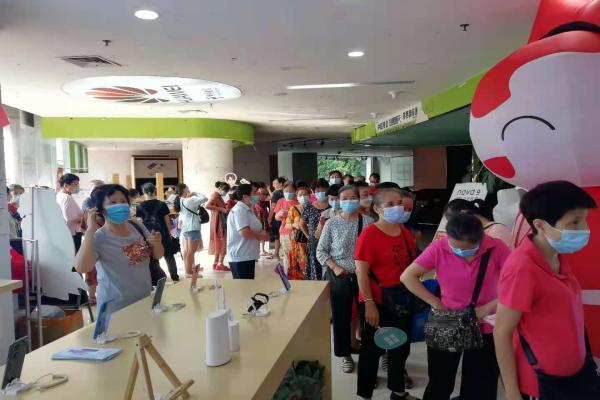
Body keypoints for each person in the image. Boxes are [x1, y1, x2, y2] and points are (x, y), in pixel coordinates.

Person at [494, 181, 599, 400]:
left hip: (576, 374)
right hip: (541, 383)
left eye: (584, 220)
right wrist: (512, 391)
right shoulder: (522, 268)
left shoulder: (557, 258)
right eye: (575, 222)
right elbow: (502, 331)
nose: (584, 229)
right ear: (540, 225)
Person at [401, 213, 511, 400]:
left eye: (466, 248)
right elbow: (407, 277)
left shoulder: (496, 247)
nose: (458, 251)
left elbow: (517, 283)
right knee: (440, 380)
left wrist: (489, 307)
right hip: (447, 321)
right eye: (454, 246)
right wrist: (436, 302)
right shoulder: (439, 247)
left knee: (481, 382)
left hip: (484, 324)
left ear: (480, 239)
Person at [354, 187, 418, 400]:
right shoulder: (369, 234)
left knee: (400, 347)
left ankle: (398, 391)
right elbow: (361, 271)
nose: (397, 208)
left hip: (401, 299)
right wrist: (369, 304)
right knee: (372, 350)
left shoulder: (404, 232)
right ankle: (365, 394)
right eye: (390, 204)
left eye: (399, 203)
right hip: (377, 300)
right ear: (377, 209)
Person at [75, 184, 164, 313]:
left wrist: (157, 243)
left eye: (123, 201)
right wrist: (89, 231)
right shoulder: (98, 237)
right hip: (114, 308)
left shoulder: (137, 226)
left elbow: (158, 255)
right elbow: (81, 267)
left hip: (144, 300)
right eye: (113, 202)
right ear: (100, 209)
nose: (120, 205)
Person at [317, 185, 373, 374]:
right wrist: (335, 267)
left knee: (367, 315)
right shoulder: (331, 223)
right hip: (340, 275)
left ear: (358, 199)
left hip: (364, 276)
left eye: (352, 198)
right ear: (339, 201)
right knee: (341, 316)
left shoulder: (368, 222)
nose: (349, 201)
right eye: (345, 198)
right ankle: (345, 355)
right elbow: (321, 251)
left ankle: (369, 353)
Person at [136, 182, 180, 282]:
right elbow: (167, 220)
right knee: (169, 256)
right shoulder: (162, 204)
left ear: (144, 192)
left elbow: (140, 222)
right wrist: (170, 232)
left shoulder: (140, 206)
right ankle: (175, 278)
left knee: (153, 258)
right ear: (154, 191)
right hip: (163, 234)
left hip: (149, 236)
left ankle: (158, 279)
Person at [227, 184, 269, 279]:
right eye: (254, 193)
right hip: (241, 256)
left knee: (248, 285)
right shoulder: (239, 210)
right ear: (245, 196)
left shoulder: (247, 209)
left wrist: (261, 232)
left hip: (247, 254)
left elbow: (255, 226)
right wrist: (261, 236)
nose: (257, 195)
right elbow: (245, 232)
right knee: (243, 286)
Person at [444, 198, 514, 249]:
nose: (458, 229)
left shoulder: (496, 231)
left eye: (456, 224)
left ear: (464, 214)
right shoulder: (479, 233)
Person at [301, 178, 330, 280]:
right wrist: (308, 236)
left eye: (323, 190)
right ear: (313, 192)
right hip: (315, 241)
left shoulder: (332, 205)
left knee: (328, 265)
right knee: (316, 266)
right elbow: (302, 224)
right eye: (318, 191)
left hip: (330, 241)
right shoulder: (309, 207)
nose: (321, 192)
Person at [178, 183, 207, 277]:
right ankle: (189, 272)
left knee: (187, 251)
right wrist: (194, 193)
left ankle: (188, 270)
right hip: (193, 227)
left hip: (186, 228)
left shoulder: (181, 200)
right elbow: (204, 198)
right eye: (187, 188)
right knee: (191, 252)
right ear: (183, 190)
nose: (188, 189)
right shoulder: (189, 200)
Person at [286, 182, 311, 280]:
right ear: (297, 197)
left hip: (310, 240)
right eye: (300, 195)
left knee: (309, 263)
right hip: (297, 242)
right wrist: (294, 225)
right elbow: (287, 224)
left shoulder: (313, 208)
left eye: (305, 194)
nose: (303, 197)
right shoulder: (293, 209)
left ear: (309, 196)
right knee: (298, 265)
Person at [205, 181, 231, 272]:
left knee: (218, 242)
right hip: (219, 222)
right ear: (219, 188)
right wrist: (222, 209)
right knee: (223, 241)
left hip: (216, 221)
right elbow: (207, 205)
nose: (225, 192)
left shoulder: (217, 196)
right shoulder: (215, 195)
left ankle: (216, 263)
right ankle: (220, 263)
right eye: (225, 190)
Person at [274, 181, 299, 273]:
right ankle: (288, 273)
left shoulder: (299, 201)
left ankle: (297, 273)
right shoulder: (281, 201)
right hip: (284, 232)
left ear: (295, 191)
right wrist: (279, 214)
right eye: (286, 191)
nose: (288, 193)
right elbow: (276, 217)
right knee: (287, 255)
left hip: (297, 232)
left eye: (291, 191)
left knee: (298, 255)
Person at [56, 173, 84, 252]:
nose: (77, 187)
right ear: (66, 185)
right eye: (75, 184)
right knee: (75, 255)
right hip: (73, 233)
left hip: (66, 232)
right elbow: (70, 219)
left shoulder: (59, 195)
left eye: (78, 184)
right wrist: (85, 217)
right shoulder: (67, 198)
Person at [269, 177, 287, 261]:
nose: (273, 185)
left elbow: (273, 207)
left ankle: (276, 254)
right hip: (288, 217)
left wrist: (269, 218)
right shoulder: (287, 192)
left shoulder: (276, 193)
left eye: (275, 183)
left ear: (281, 184)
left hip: (279, 217)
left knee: (277, 236)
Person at [255, 187, 271, 257]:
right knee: (260, 234)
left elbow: (270, 197)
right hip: (260, 218)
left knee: (263, 233)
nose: (265, 196)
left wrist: (268, 189)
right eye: (259, 193)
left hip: (264, 217)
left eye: (265, 194)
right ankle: (260, 250)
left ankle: (262, 250)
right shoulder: (256, 200)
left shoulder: (263, 199)